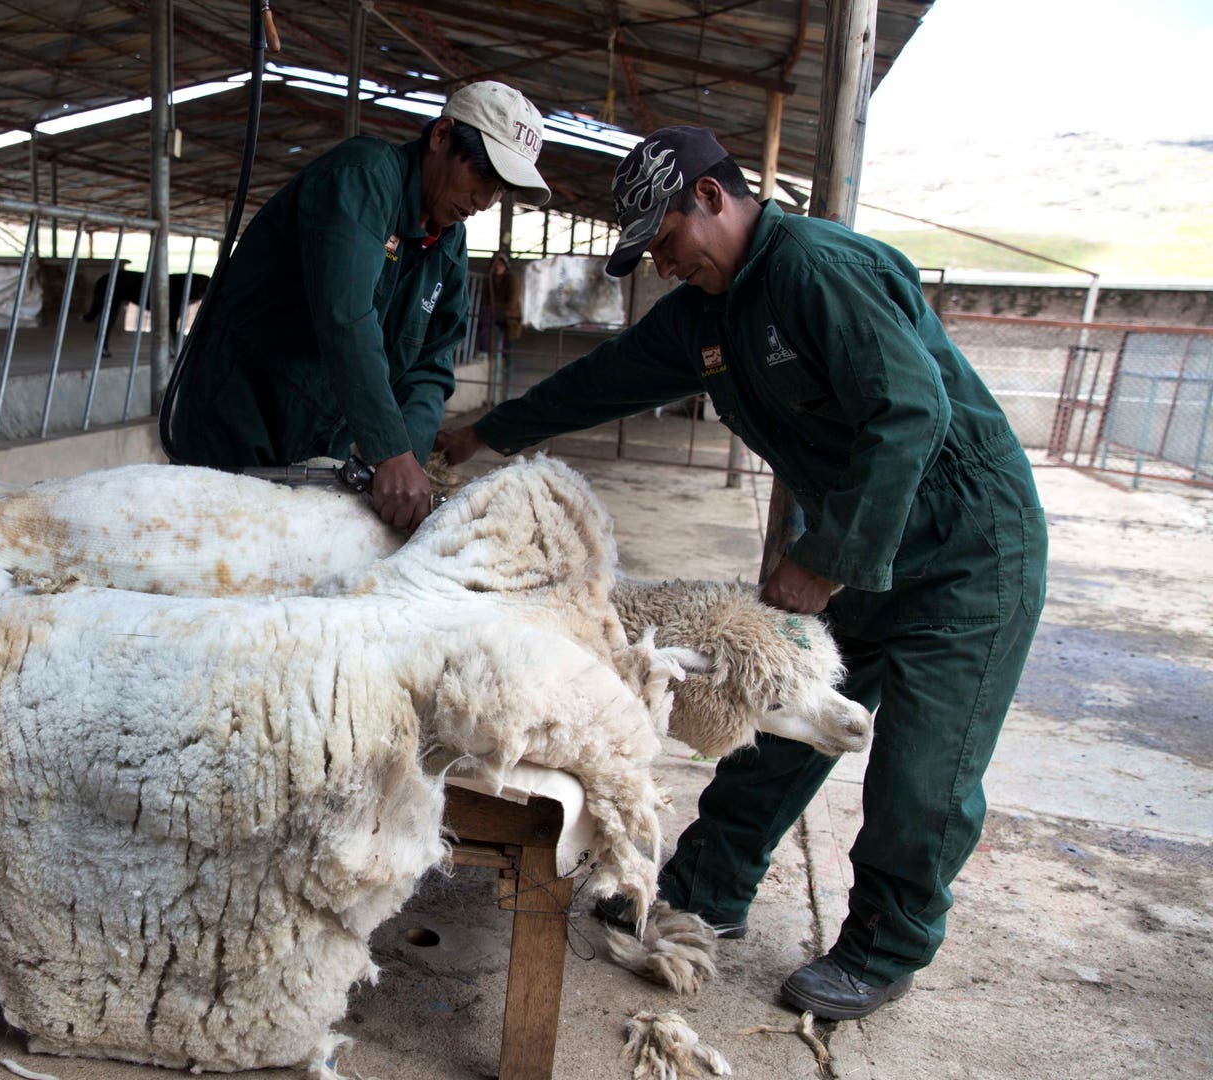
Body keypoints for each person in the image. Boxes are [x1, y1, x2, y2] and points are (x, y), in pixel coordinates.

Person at [435, 125, 1047, 1020]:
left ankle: (884, 947)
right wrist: (484, 433)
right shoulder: (706, 313)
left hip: (963, 552)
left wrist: (820, 563)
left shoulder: (813, 270)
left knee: (923, 774)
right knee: (772, 728)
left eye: (667, 240)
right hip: (861, 539)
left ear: (713, 199)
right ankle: (702, 897)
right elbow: (603, 380)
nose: (663, 264)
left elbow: (911, 414)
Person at [164, 81, 551, 530]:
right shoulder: (363, 177)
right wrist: (389, 449)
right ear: (441, 136)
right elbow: (345, 316)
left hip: (318, 438)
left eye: (500, 190)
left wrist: (410, 458)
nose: (485, 202)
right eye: (482, 178)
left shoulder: (449, 245)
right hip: (239, 417)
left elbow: (432, 362)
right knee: (213, 558)